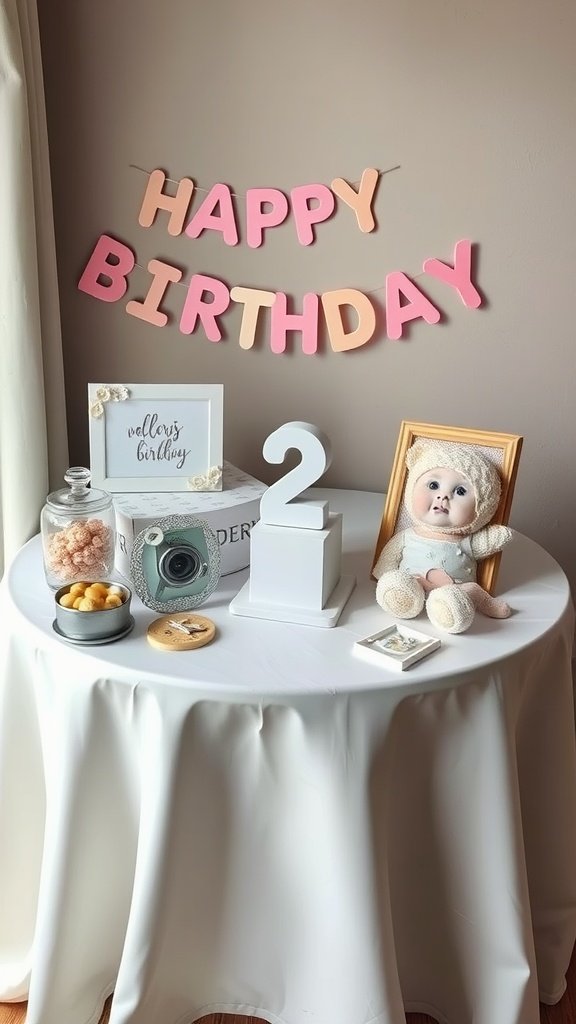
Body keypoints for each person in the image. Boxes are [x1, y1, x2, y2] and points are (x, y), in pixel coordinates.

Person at [373, 439, 513, 634]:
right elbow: (388, 561)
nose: (443, 497)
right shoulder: (407, 536)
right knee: (401, 583)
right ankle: (401, 598)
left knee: (471, 590)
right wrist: (385, 575)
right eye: (433, 485)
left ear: (483, 507)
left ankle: (449, 609)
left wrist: (495, 537)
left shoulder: (466, 541)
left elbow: (485, 544)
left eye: (460, 491)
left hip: (457, 590)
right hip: (414, 583)